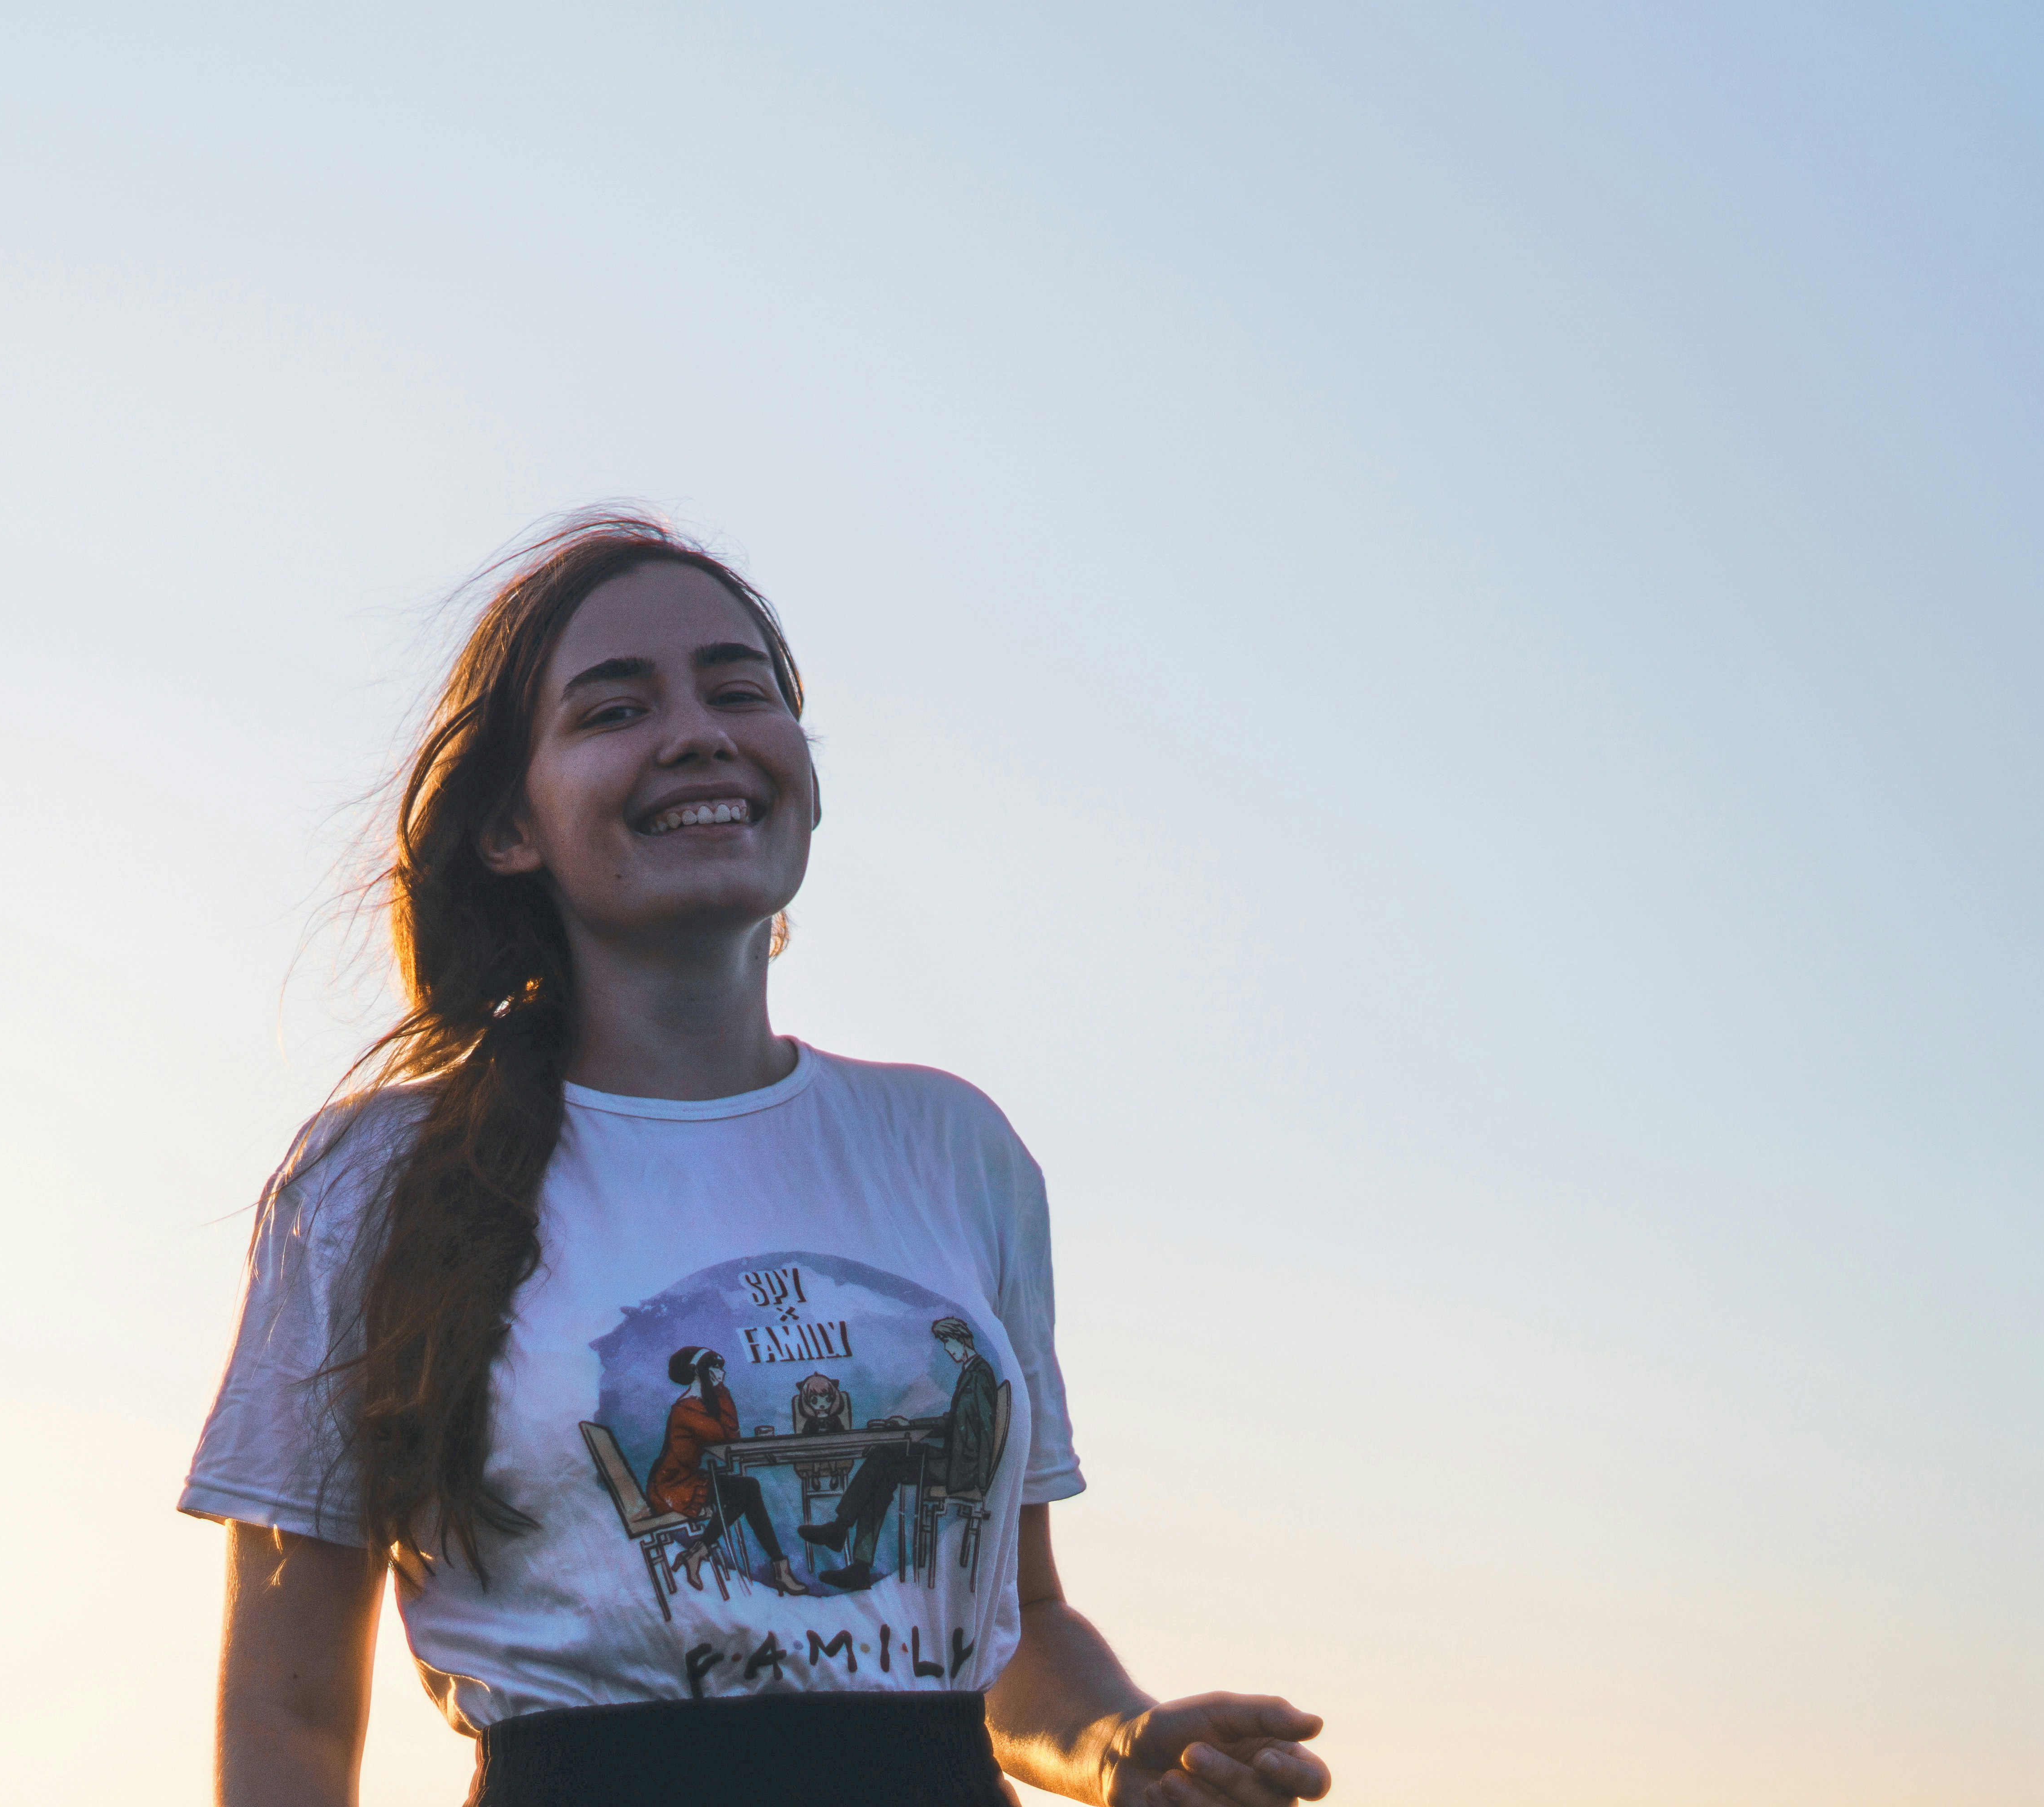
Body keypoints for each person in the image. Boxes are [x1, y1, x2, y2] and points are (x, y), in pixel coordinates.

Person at [180, 514, 1332, 1807]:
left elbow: (1016, 1626)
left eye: (740, 691)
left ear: (807, 774)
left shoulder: (955, 1149)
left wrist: (1123, 1745)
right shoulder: (373, 1177)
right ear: (512, 827)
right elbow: (290, 1717)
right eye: (615, 709)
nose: (697, 733)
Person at [798, 1317, 998, 1589]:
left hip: (961, 1467)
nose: (947, 1350)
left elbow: (983, 1426)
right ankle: (858, 1563)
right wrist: (912, 1426)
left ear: (962, 1340)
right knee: (882, 1467)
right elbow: (955, 1422)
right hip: (956, 1460)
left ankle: (841, 1530)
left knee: (882, 1462)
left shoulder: (980, 1374)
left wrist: (978, 1475)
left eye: (948, 1343)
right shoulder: (971, 1372)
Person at [644, 1345, 809, 1594]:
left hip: (685, 1479)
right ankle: (778, 1567)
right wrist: (721, 1390)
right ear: (701, 1372)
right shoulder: (687, 1409)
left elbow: (726, 1437)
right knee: (747, 1490)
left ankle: (700, 1553)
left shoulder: (697, 1405)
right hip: (672, 1488)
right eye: (716, 1367)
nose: (722, 1373)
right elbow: (728, 1435)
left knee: (747, 1490)